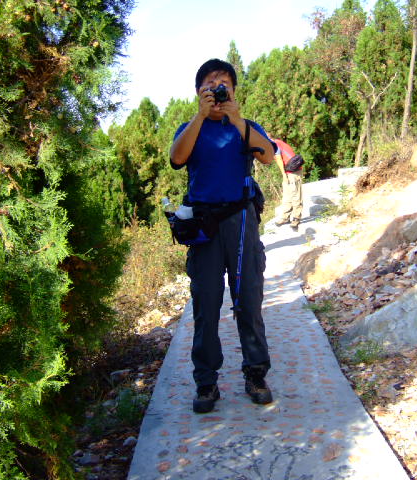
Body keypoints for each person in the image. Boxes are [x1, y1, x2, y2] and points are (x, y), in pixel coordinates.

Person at [170, 58, 275, 414]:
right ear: (198, 91)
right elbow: (177, 158)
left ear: (233, 90)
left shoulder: (245, 127)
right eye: (211, 83)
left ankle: (256, 375)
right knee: (206, 303)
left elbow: (268, 156)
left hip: (241, 220)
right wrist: (200, 117)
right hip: (203, 225)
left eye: (224, 83)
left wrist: (238, 119)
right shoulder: (190, 128)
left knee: (249, 300)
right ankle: (206, 382)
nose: (217, 89)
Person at [271, 137, 303, 231]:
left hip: (293, 172)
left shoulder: (274, 144)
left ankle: (296, 218)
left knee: (295, 195)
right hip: (289, 170)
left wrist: (284, 175)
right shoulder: (277, 142)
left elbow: (278, 159)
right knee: (287, 195)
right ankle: (285, 217)